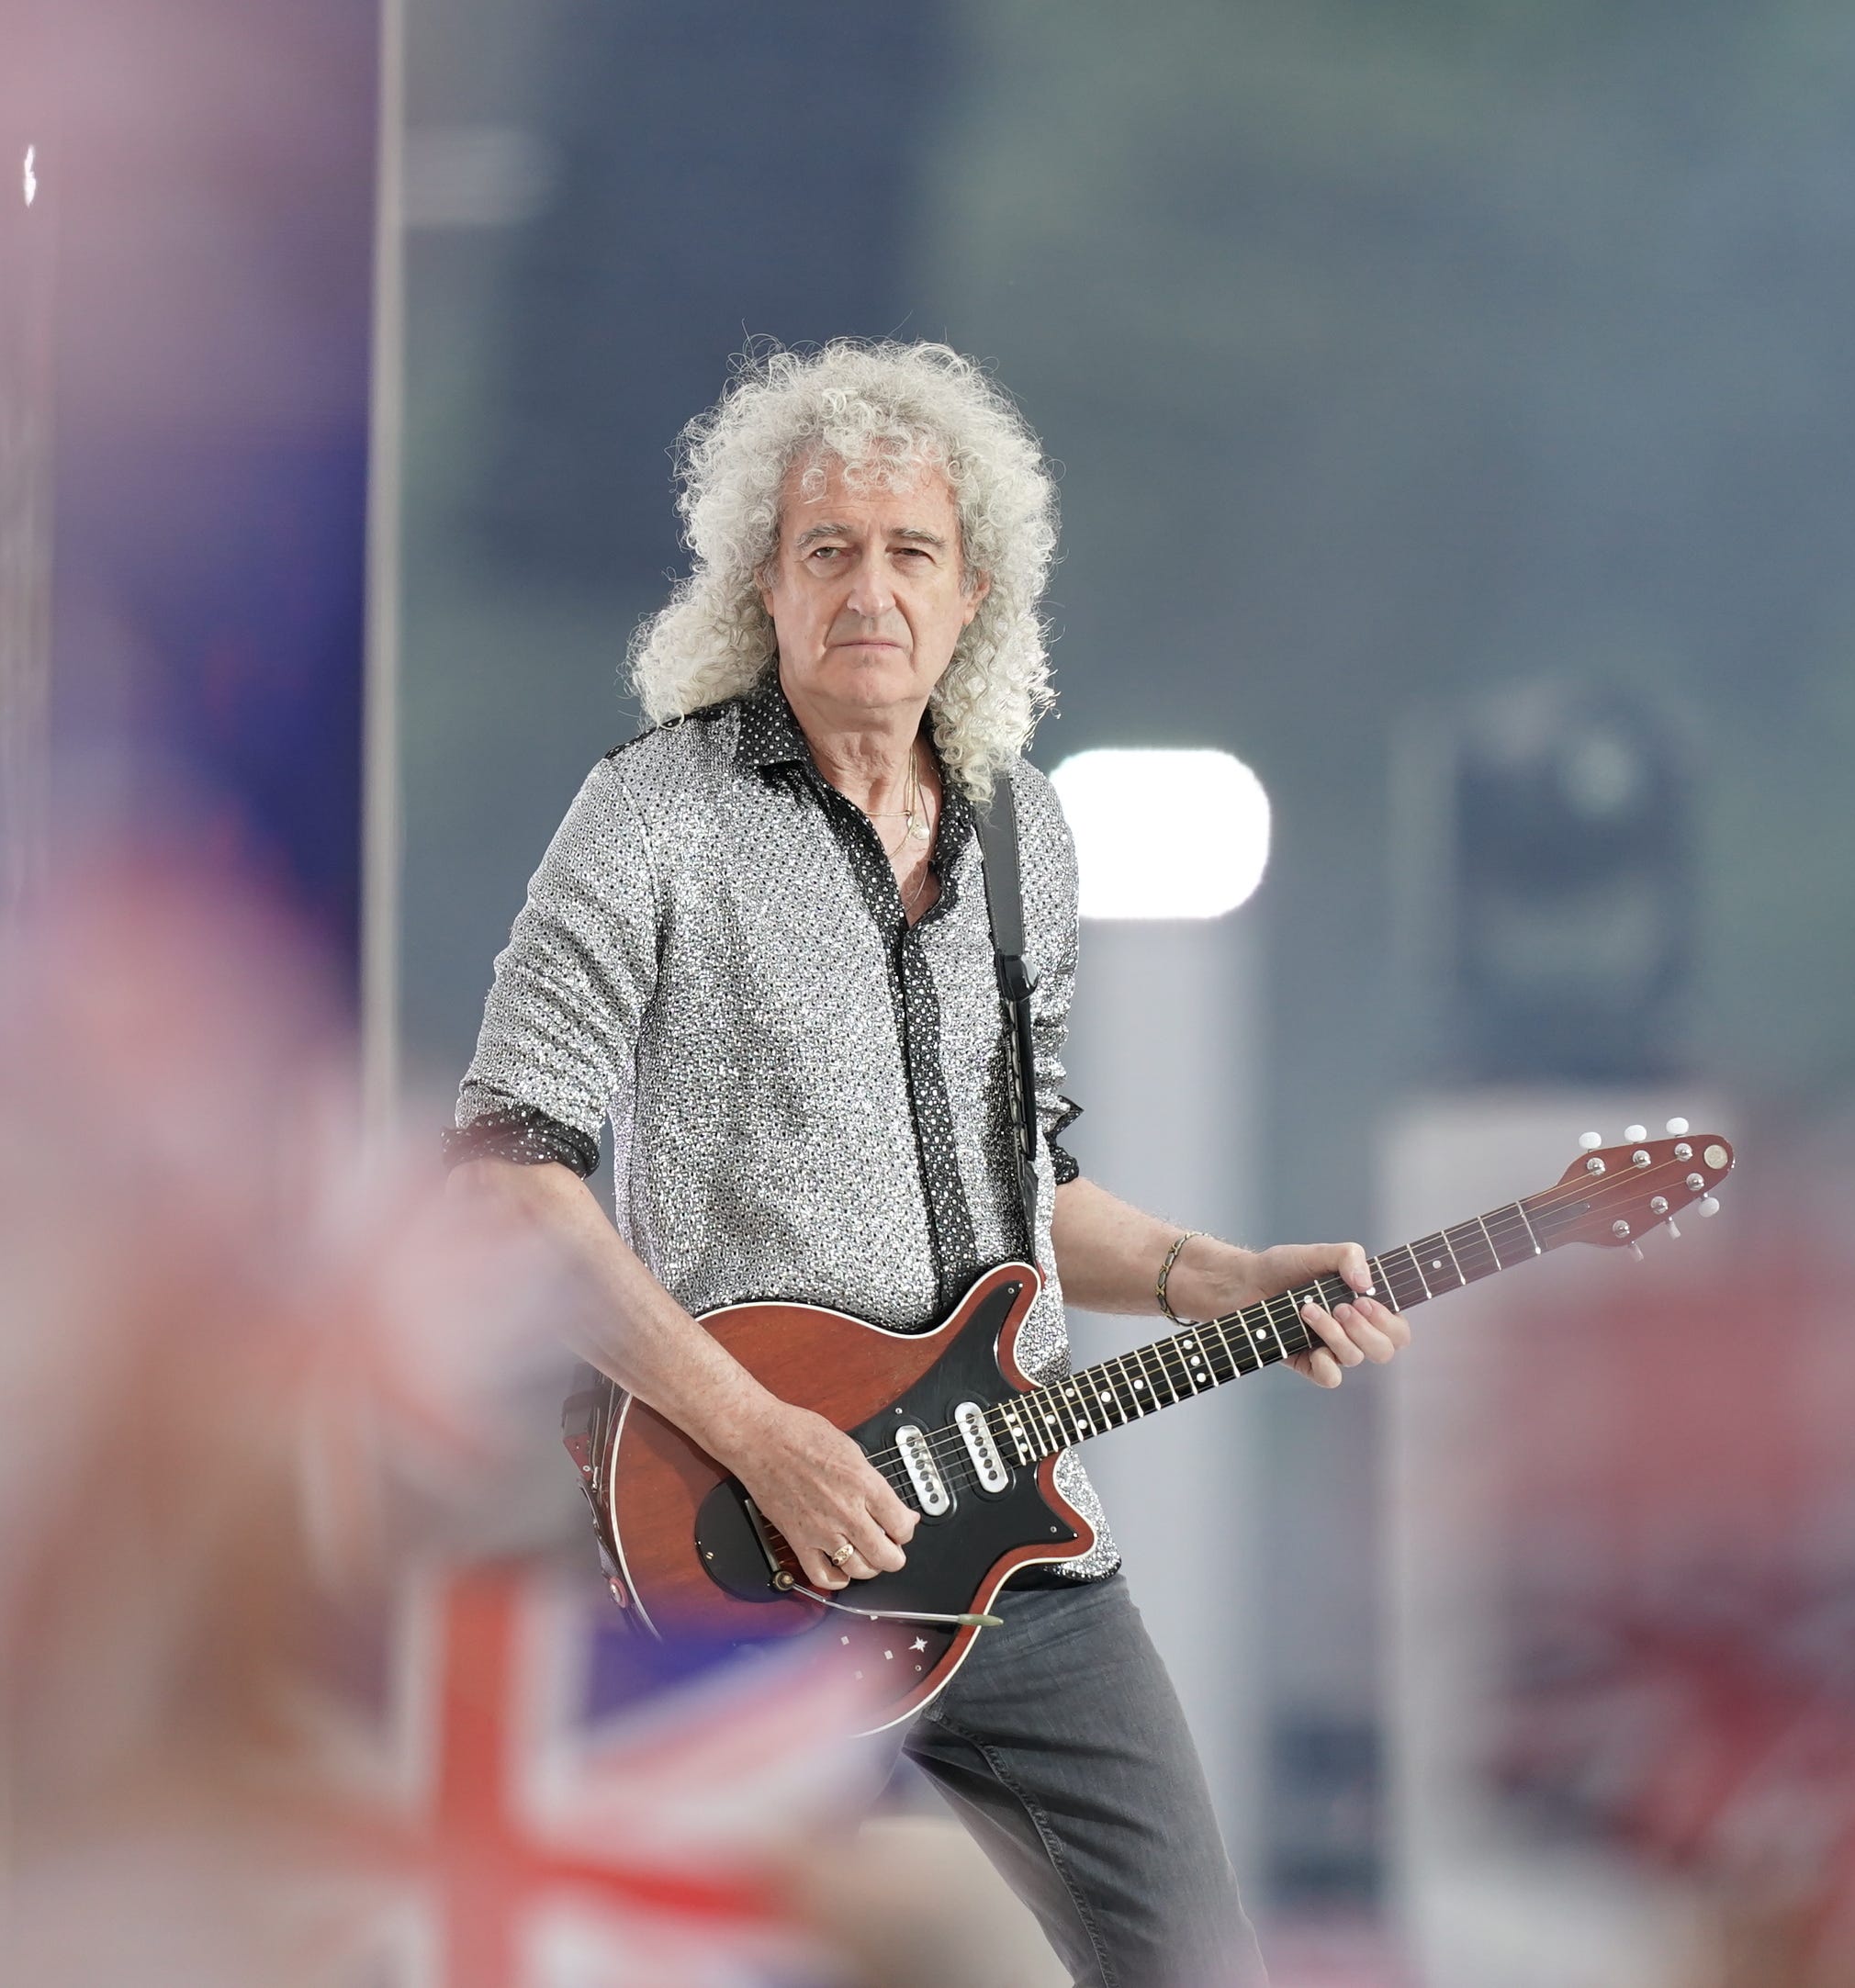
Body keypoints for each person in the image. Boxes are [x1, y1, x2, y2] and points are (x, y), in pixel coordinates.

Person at [449, 339, 1411, 1988]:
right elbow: (506, 1176)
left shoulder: (1030, 831)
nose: (869, 589)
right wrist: (762, 1434)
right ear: (766, 582)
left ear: (975, 593)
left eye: (911, 552)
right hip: (751, 1546)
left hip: (1025, 1548)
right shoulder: (650, 814)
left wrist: (1227, 1279)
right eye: (828, 548)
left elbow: (1031, 1192)